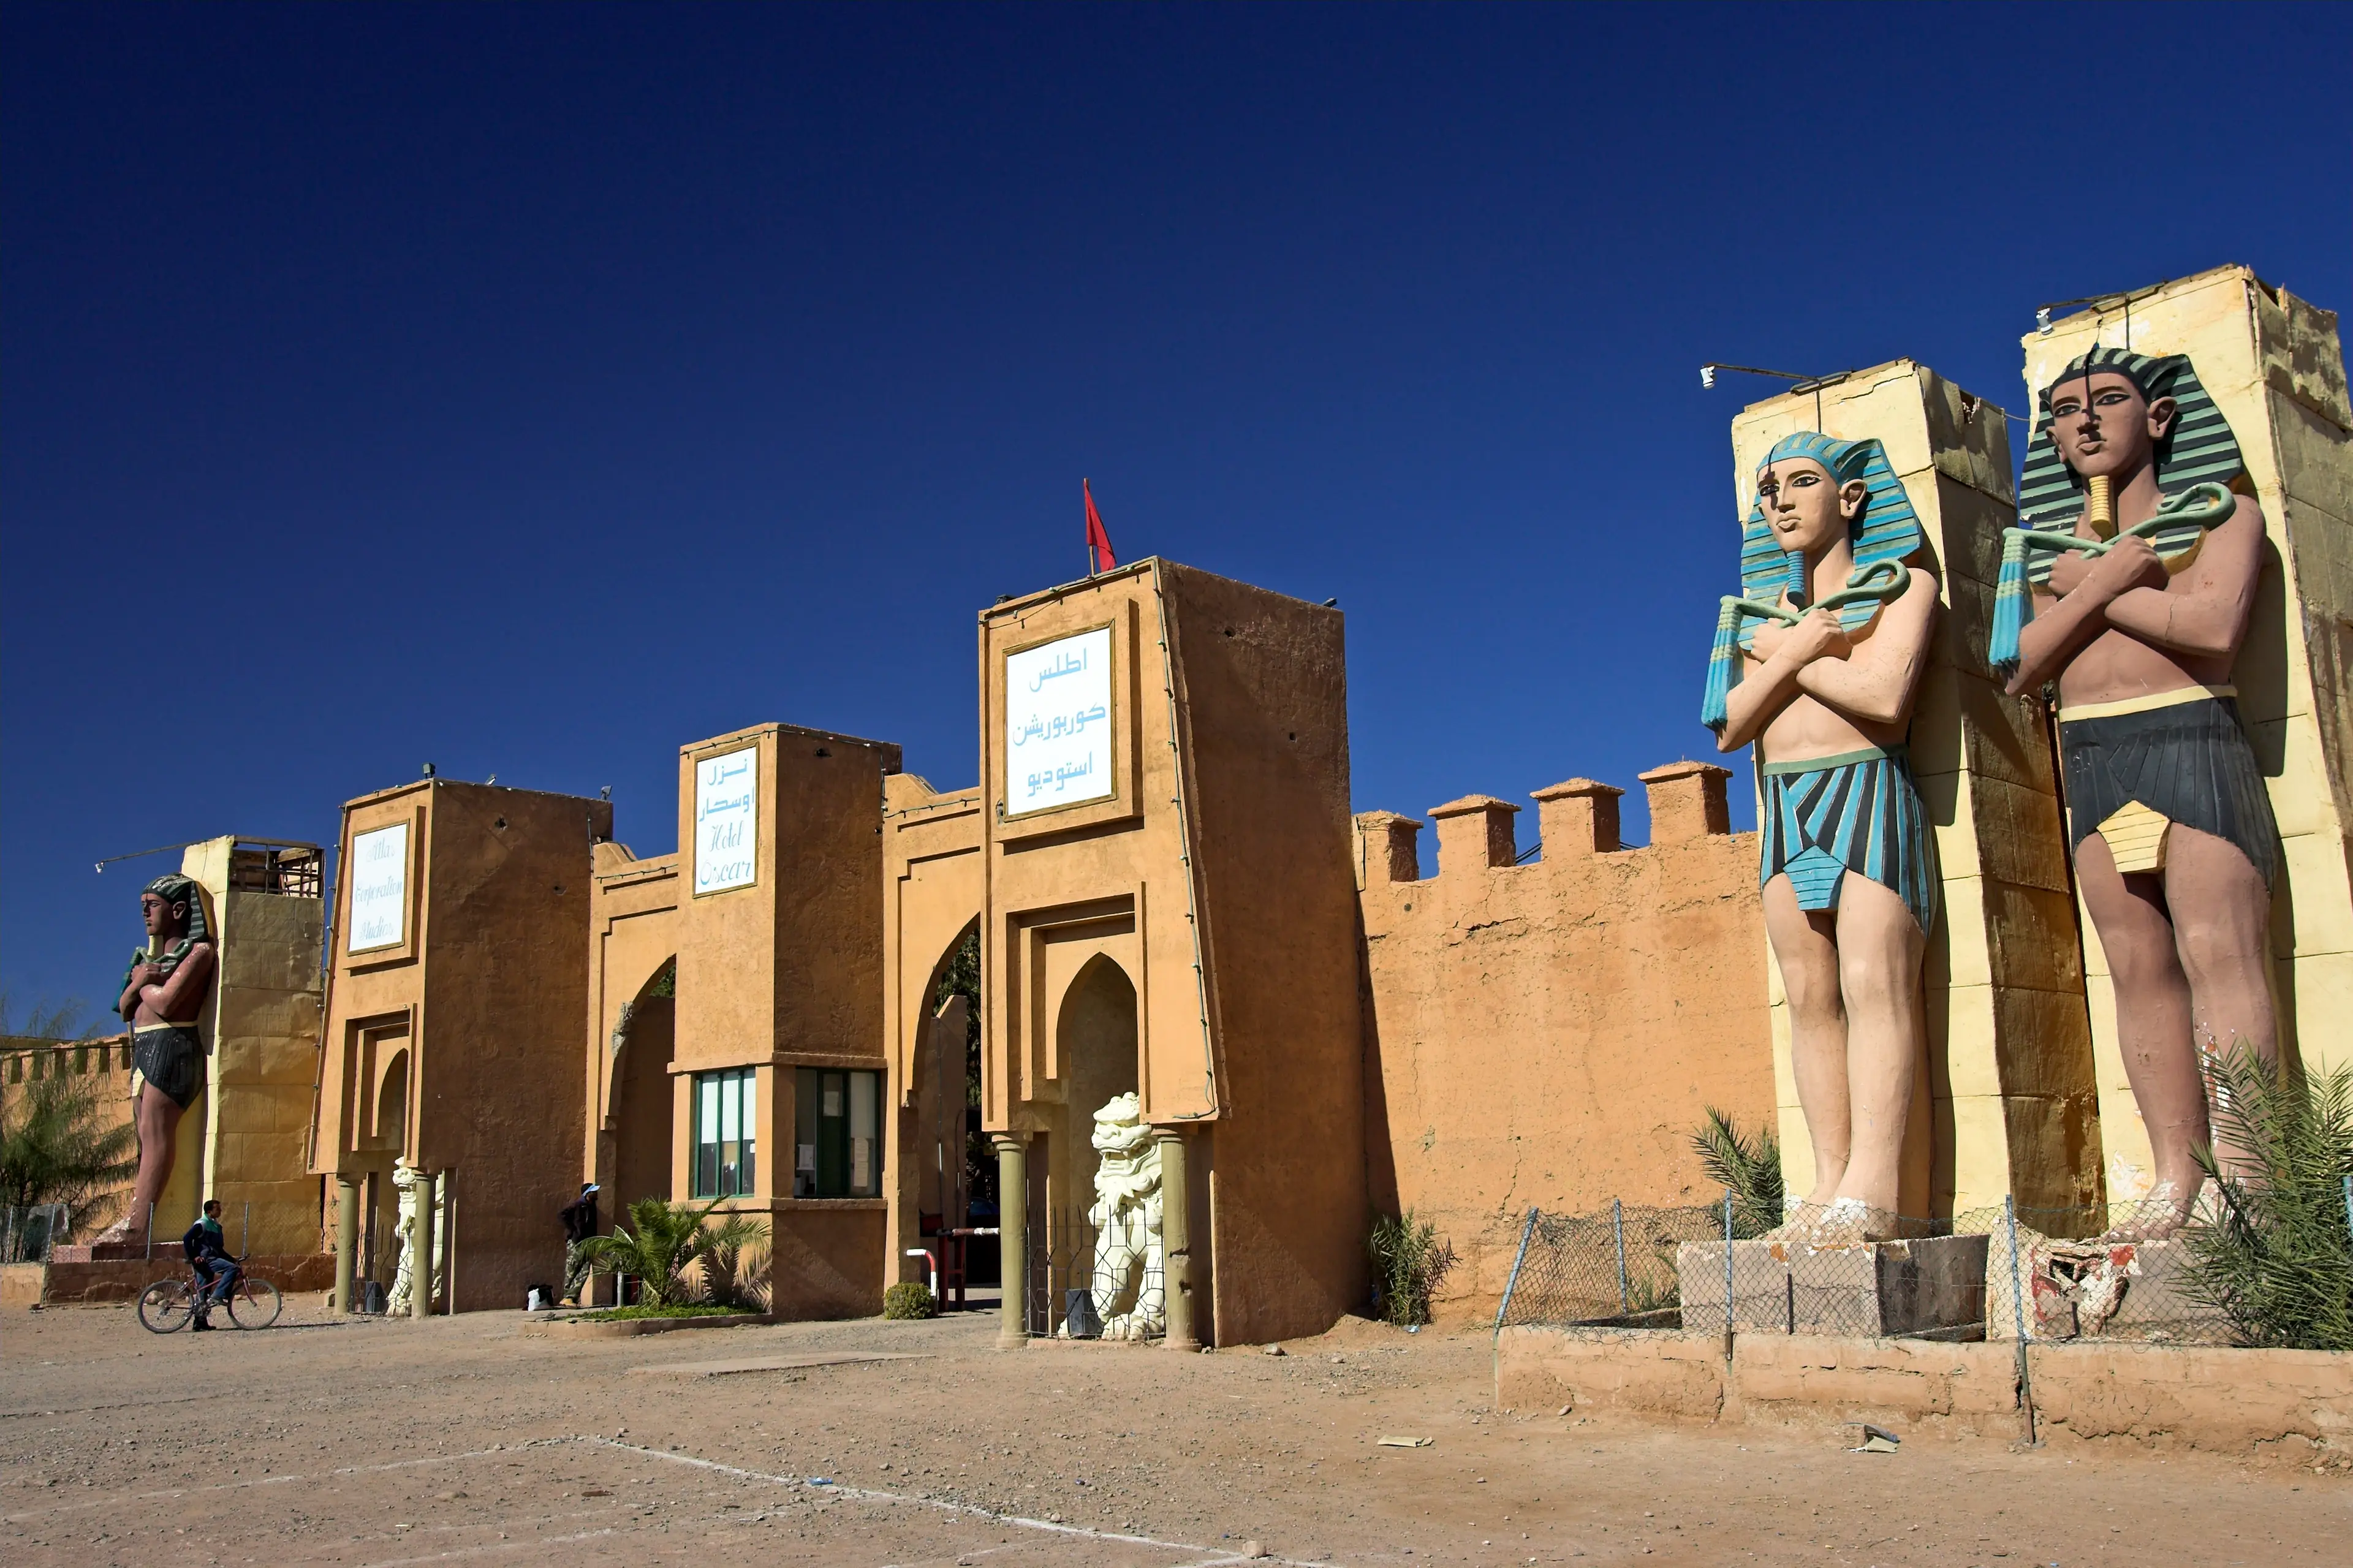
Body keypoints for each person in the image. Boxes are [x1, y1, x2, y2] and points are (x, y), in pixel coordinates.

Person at [1994, 346, 2275, 1238]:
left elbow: (2212, 631)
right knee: (2137, 969)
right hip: (2093, 754)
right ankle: (2173, 1178)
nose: (2084, 421)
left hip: (2189, 733)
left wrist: (2098, 586)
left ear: (2157, 418)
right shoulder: (2050, 552)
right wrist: (2104, 578)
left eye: (2108, 399)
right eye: (2067, 410)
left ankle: (2252, 1179)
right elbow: (2021, 664)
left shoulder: (2222, 514)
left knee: (2218, 953)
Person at [1705, 432, 1942, 1243]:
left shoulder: (1902, 586)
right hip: (1786, 805)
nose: (1779, 498)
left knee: (1876, 981)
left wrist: (1789, 654)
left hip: (1867, 788)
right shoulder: (1757, 614)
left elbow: (1885, 699)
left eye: (1802, 481)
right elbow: (1731, 724)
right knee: (1810, 997)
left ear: (1850, 499)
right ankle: (1827, 1182)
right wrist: (1800, 644)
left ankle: (1873, 1183)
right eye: (1768, 485)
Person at [95, 874, 217, 1244]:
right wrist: (141, 981)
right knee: (144, 1137)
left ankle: (138, 1226)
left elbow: (166, 1002)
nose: (146, 913)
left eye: (153, 905)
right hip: (144, 1049)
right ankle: (138, 1213)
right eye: (143, 906)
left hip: (173, 1045)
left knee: (155, 1130)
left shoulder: (198, 953)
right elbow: (124, 1008)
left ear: (179, 910)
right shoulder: (151, 959)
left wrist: (143, 982)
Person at [183, 1198, 238, 1330]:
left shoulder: (216, 1226)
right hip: (206, 1260)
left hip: (211, 1259)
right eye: (217, 1209)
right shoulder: (202, 1224)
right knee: (232, 1269)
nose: (220, 1211)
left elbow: (218, 1249)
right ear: (209, 1211)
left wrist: (232, 1259)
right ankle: (218, 1295)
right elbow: (187, 1239)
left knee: (204, 1292)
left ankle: (200, 1323)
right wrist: (194, 1256)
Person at [559, 1182, 601, 1303]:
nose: (597, 1193)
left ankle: (571, 1297)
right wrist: (574, 1230)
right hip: (577, 1242)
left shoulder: (592, 1206)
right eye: (594, 1191)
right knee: (572, 1270)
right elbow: (562, 1215)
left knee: (585, 1270)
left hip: (588, 1243)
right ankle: (568, 1297)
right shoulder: (578, 1205)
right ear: (588, 1193)